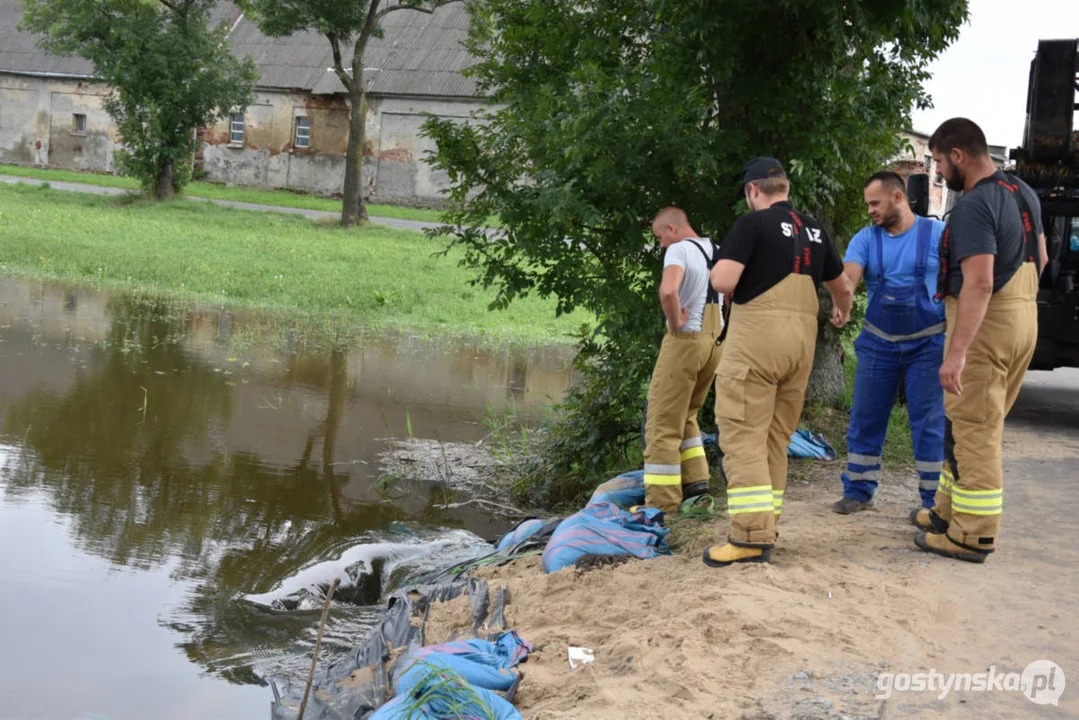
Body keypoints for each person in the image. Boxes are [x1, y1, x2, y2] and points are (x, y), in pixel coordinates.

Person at [703, 158, 852, 568]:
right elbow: (842, 286)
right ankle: (767, 524)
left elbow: (724, 281)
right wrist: (843, 312)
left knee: (742, 435)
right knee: (774, 439)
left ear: (753, 192)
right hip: (800, 347)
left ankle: (749, 537)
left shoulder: (753, 224)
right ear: (784, 187)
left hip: (757, 344)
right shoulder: (815, 229)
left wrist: (722, 266)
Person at [912, 117, 1048, 563]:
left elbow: (980, 283)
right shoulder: (1022, 192)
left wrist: (958, 353)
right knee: (967, 425)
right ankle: (945, 513)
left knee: (975, 431)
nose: (937, 172)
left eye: (937, 162)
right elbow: (1042, 257)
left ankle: (973, 536)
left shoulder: (973, 205)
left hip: (988, 326)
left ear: (958, 156)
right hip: (1022, 318)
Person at [833, 171, 947, 515]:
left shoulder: (938, 234)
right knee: (865, 417)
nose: (870, 210)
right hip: (878, 343)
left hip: (928, 346)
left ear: (898, 198)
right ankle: (858, 491)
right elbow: (849, 279)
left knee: (929, 424)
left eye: (875, 203)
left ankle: (933, 502)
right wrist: (843, 303)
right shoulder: (866, 239)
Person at [642, 207, 725, 516]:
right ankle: (696, 481)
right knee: (688, 412)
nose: (661, 244)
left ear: (672, 229)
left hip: (686, 341)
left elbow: (668, 291)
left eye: (660, 236)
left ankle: (661, 505)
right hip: (716, 342)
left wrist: (675, 320)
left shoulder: (678, 250)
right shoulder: (717, 249)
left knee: (662, 422)